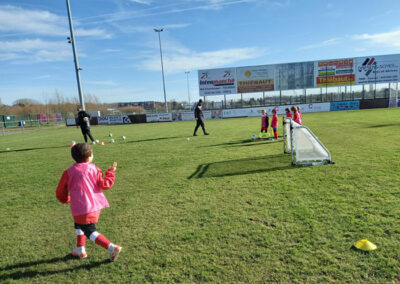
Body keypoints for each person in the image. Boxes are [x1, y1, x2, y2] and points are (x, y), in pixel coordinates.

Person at [56, 143, 122, 261]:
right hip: (94, 206)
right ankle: (80, 249)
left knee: (90, 231)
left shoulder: (68, 172)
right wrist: (111, 172)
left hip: (81, 208)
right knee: (79, 224)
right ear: (89, 157)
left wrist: (66, 199)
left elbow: (60, 192)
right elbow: (104, 185)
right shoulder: (95, 169)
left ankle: (111, 247)